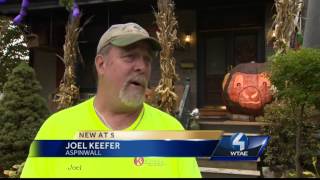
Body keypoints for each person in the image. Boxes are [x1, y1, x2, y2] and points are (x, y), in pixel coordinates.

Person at [21, 22, 201, 178]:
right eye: (130, 56)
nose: (141, 67)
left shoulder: (171, 131)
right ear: (101, 64)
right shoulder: (56, 130)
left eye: (146, 59)